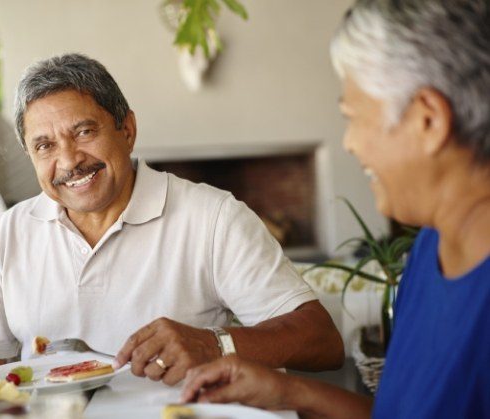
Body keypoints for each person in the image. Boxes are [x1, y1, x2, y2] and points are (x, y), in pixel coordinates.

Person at [0, 53, 344, 385]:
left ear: (126, 130)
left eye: (84, 132)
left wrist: (216, 343)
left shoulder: (213, 216)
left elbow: (321, 341)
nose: (69, 161)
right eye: (44, 145)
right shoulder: (9, 232)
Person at [182, 0, 490, 416]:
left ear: (428, 121)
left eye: (353, 117)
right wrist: (287, 392)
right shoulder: (432, 248)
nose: (349, 143)